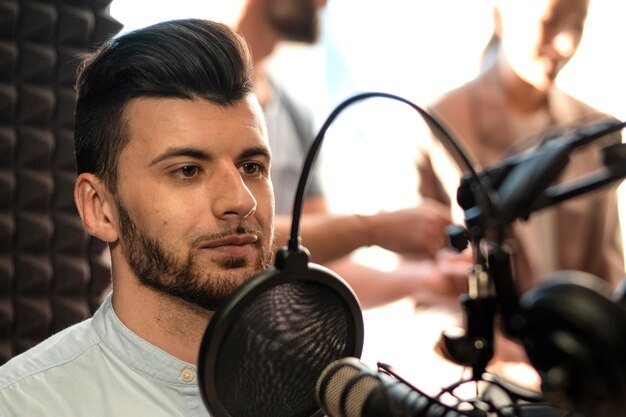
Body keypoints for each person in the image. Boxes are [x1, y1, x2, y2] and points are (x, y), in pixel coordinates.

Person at [0, 19, 272, 416]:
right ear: (99, 208)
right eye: (187, 170)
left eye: (251, 167)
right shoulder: (24, 405)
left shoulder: (332, 393)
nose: (240, 200)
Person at [416, 0, 624, 387]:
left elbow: (608, 271)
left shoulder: (599, 131)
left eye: (577, 25)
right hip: (489, 385)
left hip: (577, 381)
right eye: (550, 23)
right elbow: (421, 282)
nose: (564, 43)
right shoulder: (441, 122)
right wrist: (500, 359)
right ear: (499, 14)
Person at [232, 0, 471, 308]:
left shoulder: (294, 112)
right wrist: (374, 228)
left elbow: (319, 263)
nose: (321, 4)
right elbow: (232, 236)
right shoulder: (188, 93)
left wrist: (425, 277)